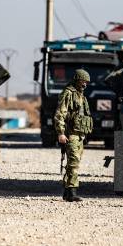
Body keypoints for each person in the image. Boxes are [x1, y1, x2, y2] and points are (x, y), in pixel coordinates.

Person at [54, 69, 93, 202]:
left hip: (79, 134)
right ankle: (71, 192)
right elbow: (60, 114)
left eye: (86, 82)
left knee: (74, 163)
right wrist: (61, 133)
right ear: (77, 80)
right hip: (71, 134)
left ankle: (67, 192)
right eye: (83, 81)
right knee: (73, 163)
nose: (85, 85)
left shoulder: (81, 95)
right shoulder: (68, 93)